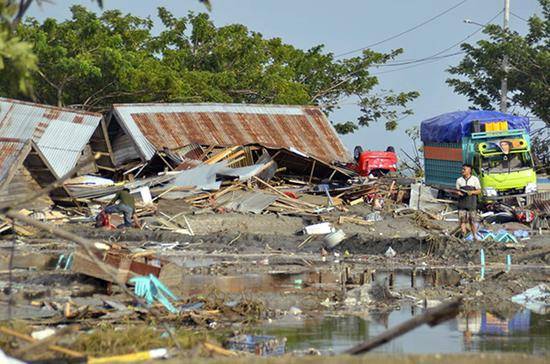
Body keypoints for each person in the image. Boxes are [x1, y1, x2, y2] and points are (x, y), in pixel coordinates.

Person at [455, 164, 481, 240]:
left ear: (469, 170)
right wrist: (458, 193)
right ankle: (464, 236)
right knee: (462, 221)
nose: (462, 171)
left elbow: (479, 191)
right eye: (462, 169)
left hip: (472, 204)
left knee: (472, 221)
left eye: (464, 169)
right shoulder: (459, 180)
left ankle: (475, 236)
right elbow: (457, 191)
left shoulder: (475, 179)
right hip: (462, 204)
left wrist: (472, 192)